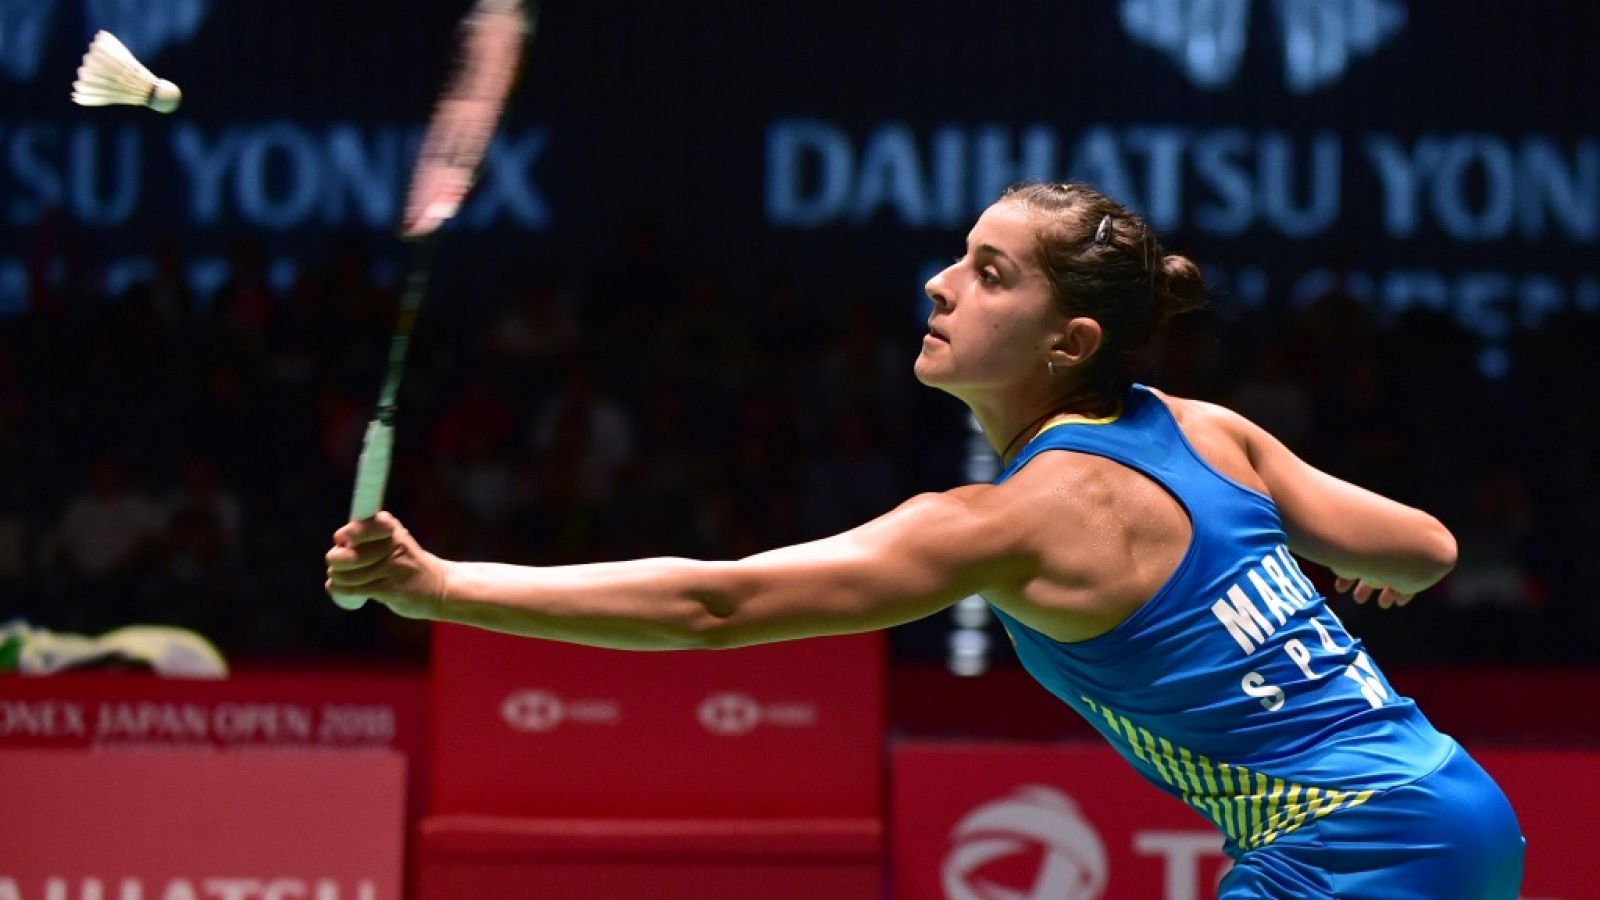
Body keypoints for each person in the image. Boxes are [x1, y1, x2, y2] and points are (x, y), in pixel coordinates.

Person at [326, 181, 1524, 898]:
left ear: (1069, 342)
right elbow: (1422, 550)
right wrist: (1342, 576)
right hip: (1457, 808)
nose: (941, 286)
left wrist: (439, 588)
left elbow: (718, 606)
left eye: (988, 274)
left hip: (1343, 847)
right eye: (959, 257)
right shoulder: (1209, 431)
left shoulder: (1002, 525)